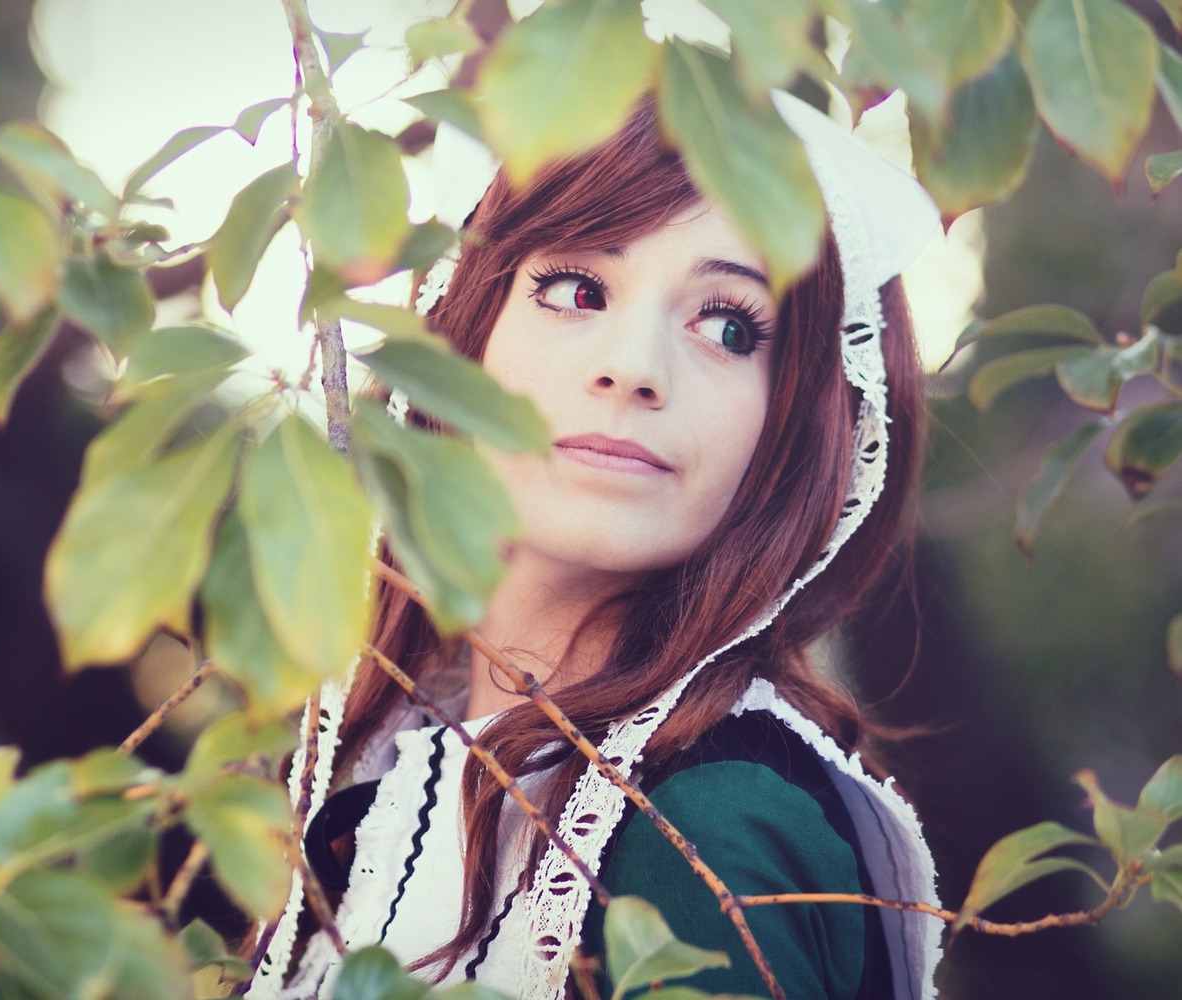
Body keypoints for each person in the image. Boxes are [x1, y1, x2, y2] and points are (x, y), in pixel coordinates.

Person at [247, 91, 942, 1000]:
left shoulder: (705, 829)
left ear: (798, 423)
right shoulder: (391, 762)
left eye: (728, 325)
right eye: (578, 290)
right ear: (464, 331)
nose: (635, 368)